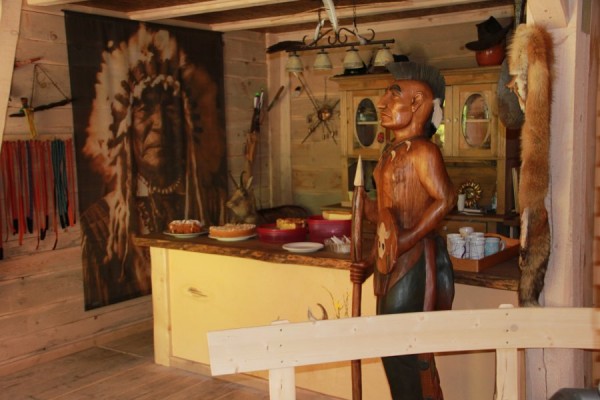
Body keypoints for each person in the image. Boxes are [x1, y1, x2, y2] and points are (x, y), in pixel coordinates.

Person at [79, 24, 227, 309]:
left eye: (170, 107)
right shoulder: (99, 225)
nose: (159, 124)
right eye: (145, 109)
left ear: (187, 122)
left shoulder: (214, 203)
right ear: (124, 128)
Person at [350, 62, 456, 400]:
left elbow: (445, 199)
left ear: (417, 103)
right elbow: (387, 223)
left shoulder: (424, 151)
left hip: (414, 263)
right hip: (391, 265)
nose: (382, 103)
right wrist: (369, 262)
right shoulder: (390, 154)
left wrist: (408, 239)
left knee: (406, 352)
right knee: (390, 347)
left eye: (393, 96)